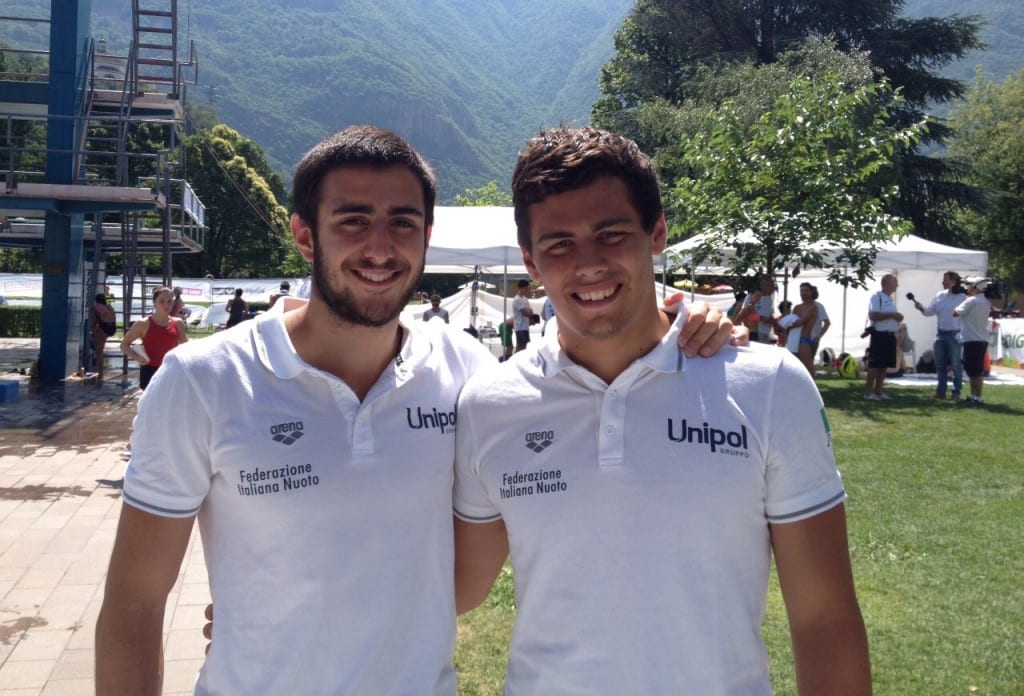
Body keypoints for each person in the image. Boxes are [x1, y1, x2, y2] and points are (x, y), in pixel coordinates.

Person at [96, 124, 738, 695]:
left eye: (402, 222)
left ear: (427, 236)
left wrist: (686, 319)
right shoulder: (203, 380)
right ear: (304, 236)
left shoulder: (466, 373)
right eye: (352, 221)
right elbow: (134, 601)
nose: (380, 247)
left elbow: (579, 355)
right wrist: (260, 618)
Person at [453, 126, 871, 695]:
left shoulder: (768, 385)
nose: (589, 264)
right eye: (560, 244)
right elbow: (458, 586)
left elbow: (825, 617)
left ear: (657, 233)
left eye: (611, 234)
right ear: (530, 260)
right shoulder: (489, 404)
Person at [910, 271, 966, 401]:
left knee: (956, 365)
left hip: (955, 334)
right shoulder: (940, 295)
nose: (943, 282)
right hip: (940, 334)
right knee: (940, 366)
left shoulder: (962, 297)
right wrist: (921, 307)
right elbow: (929, 311)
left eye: (945, 280)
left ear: (953, 281)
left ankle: (956, 392)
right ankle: (941, 392)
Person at [119, 286, 189, 390]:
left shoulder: (178, 323)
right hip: (150, 371)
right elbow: (124, 345)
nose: (166, 305)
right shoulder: (143, 324)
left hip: (171, 370)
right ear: (154, 302)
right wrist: (137, 358)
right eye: (162, 301)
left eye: (169, 301)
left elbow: (186, 348)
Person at [955, 277, 994, 407]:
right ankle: (975, 396)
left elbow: (955, 313)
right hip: (981, 339)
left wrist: (966, 299)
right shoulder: (986, 301)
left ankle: (976, 397)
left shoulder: (971, 300)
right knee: (976, 371)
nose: (968, 287)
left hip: (971, 339)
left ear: (977, 287)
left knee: (973, 371)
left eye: (971, 285)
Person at [865, 274, 903, 401]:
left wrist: (897, 318)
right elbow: (873, 315)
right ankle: (869, 392)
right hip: (879, 335)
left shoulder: (890, 299)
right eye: (895, 283)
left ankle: (879, 391)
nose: (897, 285)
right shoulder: (877, 297)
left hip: (890, 335)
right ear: (887, 283)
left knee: (884, 365)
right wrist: (893, 315)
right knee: (875, 365)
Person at [733, 276, 776, 342]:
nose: (758, 298)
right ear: (751, 295)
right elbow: (736, 321)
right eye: (757, 295)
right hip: (750, 333)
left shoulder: (753, 308)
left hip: (757, 333)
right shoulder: (748, 307)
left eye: (760, 296)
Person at [90, 293, 118, 382]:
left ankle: (100, 373)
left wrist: (94, 333)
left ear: (96, 301)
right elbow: (114, 319)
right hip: (112, 328)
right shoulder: (110, 307)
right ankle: (100, 373)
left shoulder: (95, 308)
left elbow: (94, 322)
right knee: (100, 350)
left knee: (99, 351)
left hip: (103, 328)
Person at [512, 279, 534, 352]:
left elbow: (531, 312)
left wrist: (529, 312)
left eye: (527, 288)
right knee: (520, 346)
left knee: (525, 346)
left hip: (525, 327)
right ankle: (516, 358)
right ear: (520, 288)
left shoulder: (525, 299)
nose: (527, 290)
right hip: (520, 327)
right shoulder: (516, 299)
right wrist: (528, 312)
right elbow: (525, 312)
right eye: (525, 288)